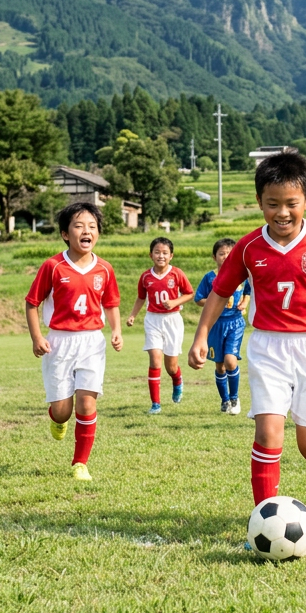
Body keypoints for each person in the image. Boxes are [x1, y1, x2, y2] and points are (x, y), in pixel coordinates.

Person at [187, 151, 306, 507]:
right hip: (268, 347)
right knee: (269, 434)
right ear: (259, 202)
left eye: (291, 203)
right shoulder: (249, 247)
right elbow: (220, 292)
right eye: (272, 204)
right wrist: (200, 336)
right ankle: (262, 517)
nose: (282, 212)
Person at [25, 203, 122, 481]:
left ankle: (80, 463)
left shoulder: (104, 268)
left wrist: (116, 330)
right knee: (63, 410)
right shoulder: (52, 266)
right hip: (59, 343)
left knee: (87, 403)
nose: (86, 231)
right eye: (79, 226)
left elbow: (111, 303)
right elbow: (32, 304)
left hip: (92, 342)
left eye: (92, 226)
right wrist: (37, 337)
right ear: (66, 234)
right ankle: (57, 418)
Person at [126, 237, 194, 414]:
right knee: (155, 361)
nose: (161, 256)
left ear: (171, 256)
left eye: (165, 253)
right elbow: (141, 298)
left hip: (173, 320)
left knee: (171, 366)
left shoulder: (177, 274)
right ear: (151, 255)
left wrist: (175, 302)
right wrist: (133, 315)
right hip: (153, 320)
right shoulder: (146, 277)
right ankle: (155, 404)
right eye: (157, 252)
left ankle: (177, 380)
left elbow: (189, 293)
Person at [193, 237, 251, 414]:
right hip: (215, 325)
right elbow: (198, 299)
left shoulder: (242, 276)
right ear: (214, 257)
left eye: (229, 253)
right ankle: (224, 400)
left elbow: (248, 291)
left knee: (230, 360)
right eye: (221, 254)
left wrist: (244, 303)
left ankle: (235, 398)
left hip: (235, 323)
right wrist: (214, 303)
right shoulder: (210, 278)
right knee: (219, 365)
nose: (225, 257)